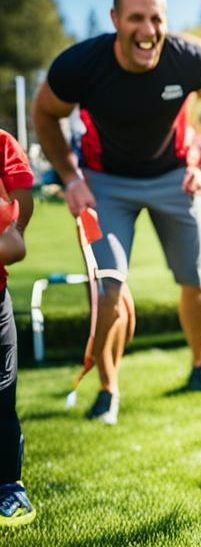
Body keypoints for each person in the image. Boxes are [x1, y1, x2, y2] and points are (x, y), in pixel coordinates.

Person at [32, 0, 201, 424]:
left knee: (192, 277)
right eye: (136, 19)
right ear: (115, 21)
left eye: (156, 18)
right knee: (108, 288)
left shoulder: (189, 57)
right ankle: (108, 390)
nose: (148, 29)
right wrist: (70, 178)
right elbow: (45, 113)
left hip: (174, 177)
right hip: (104, 184)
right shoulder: (81, 65)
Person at [0, 131, 35, 525]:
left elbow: (15, 242)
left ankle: (9, 487)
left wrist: (14, 231)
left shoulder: (2, 145)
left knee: (1, 397)